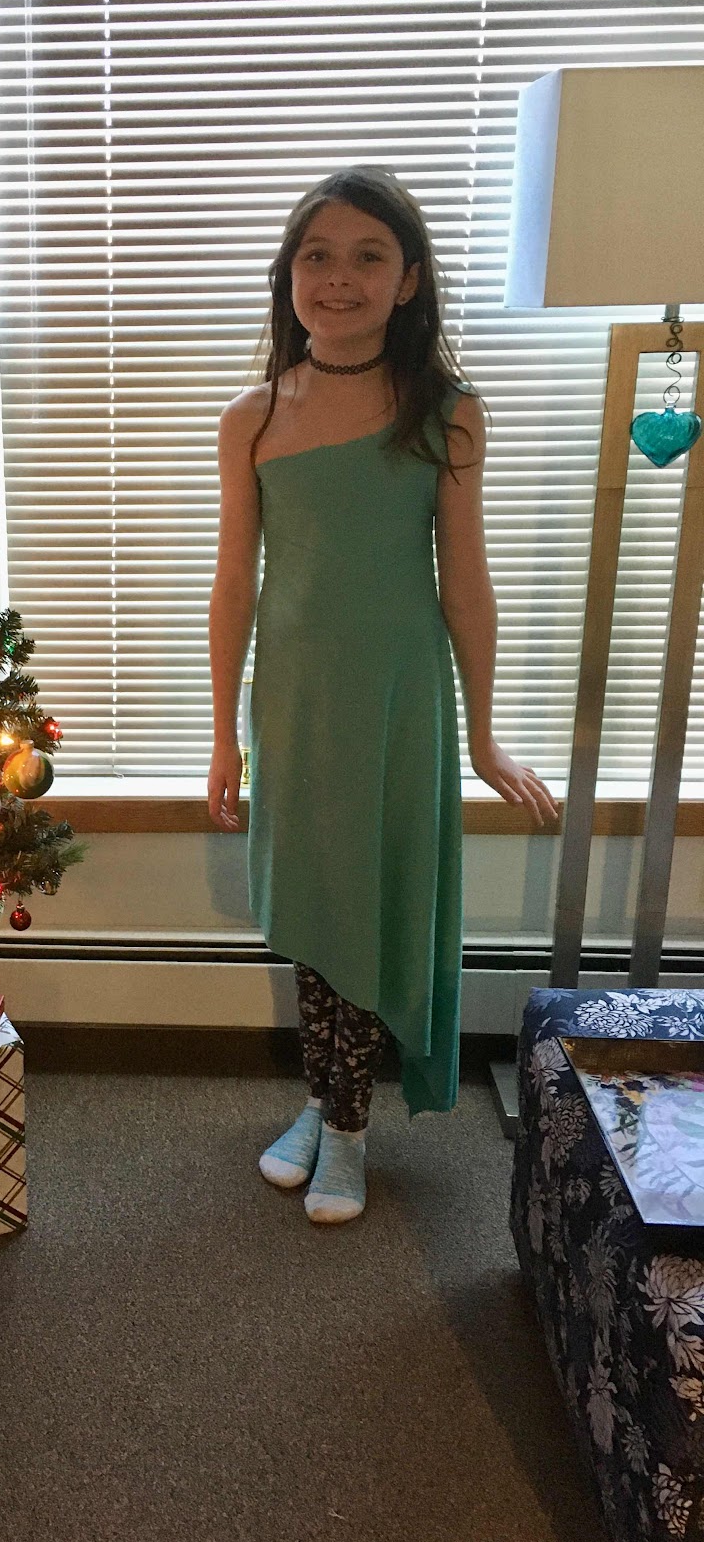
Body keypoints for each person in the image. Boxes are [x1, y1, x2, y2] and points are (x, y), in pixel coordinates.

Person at [207, 166, 559, 1226]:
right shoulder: (251, 416)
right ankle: (326, 1101)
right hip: (297, 704)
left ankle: (349, 1129)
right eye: (317, 256)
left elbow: (467, 583)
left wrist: (486, 736)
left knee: (370, 906)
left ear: (407, 280)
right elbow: (234, 584)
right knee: (318, 911)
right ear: (289, 276)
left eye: (369, 257)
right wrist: (222, 736)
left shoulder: (446, 415)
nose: (340, 278)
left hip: (402, 704)